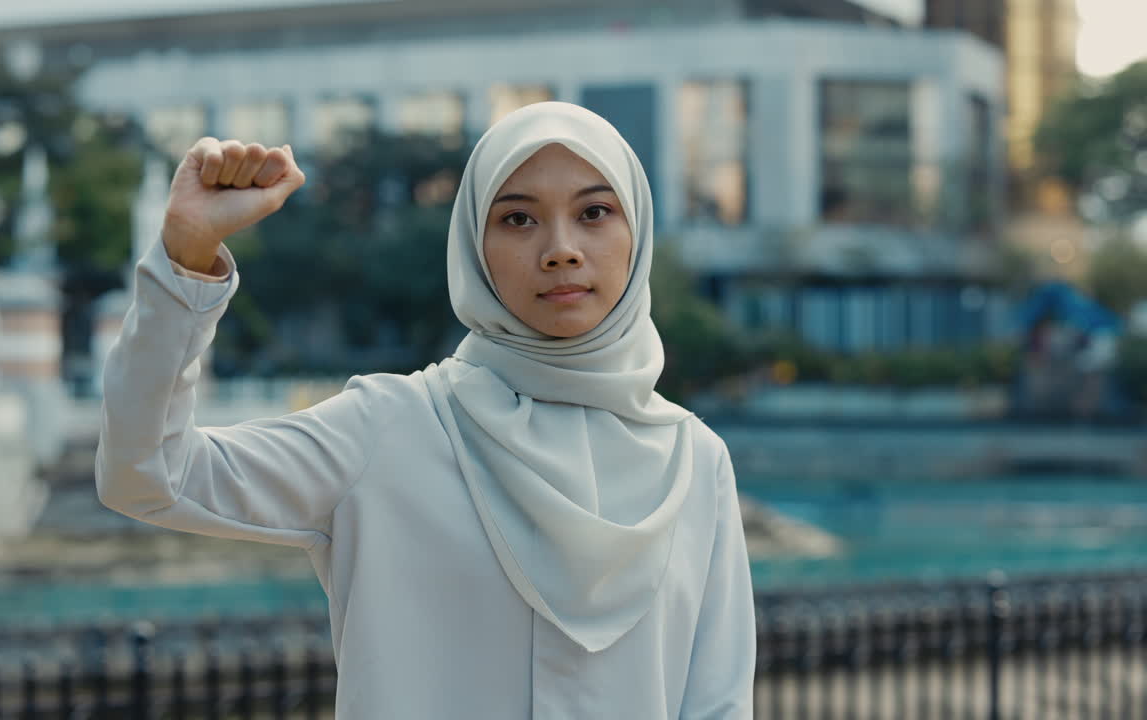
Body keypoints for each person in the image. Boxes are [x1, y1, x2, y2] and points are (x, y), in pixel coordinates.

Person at [97, 101, 755, 718]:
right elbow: (149, 473)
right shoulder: (391, 429)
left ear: (637, 231)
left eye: (594, 212)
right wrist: (187, 258)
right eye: (518, 218)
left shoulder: (694, 462)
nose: (561, 248)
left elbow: (719, 704)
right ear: (473, 245)